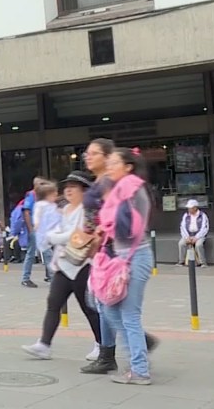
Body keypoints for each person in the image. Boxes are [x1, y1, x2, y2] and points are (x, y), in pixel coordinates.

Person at [21, 171, 101, 362]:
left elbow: (77, 235)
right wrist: (56, 236)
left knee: (88, 307)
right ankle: (44, 344)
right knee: (53, 303)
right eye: (67, 187)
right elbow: (57, 231)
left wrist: (56, 237)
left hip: (82, 265)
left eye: (74, 187)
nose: (69, 191)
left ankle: (101, 343)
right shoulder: (64, 210)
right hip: (63, 264)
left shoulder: (87, 210)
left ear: (84, 191)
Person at [94, 148, 154, 385]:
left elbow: (130, 228)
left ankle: (139, 369)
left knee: (129, 315)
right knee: (109, 310)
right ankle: (138, 358)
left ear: (128, 166)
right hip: (122, 257)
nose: (109, 166)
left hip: (134, 257)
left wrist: (107, 226)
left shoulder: (130, 188)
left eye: (113, 162)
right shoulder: (122, 189)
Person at [177, 199, 209, 267]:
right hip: (188, 234)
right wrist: (186, 237)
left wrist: (196, 237)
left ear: (195, 208)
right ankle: (181, 261)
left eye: (190, 208)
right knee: (181, 243)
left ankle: (202, 262)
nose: (189, 210)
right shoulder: (186, 215)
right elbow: (183, 227)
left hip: (199, 235)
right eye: (188, 208)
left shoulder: (203, 215)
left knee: (199, 245)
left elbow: (204, 228)